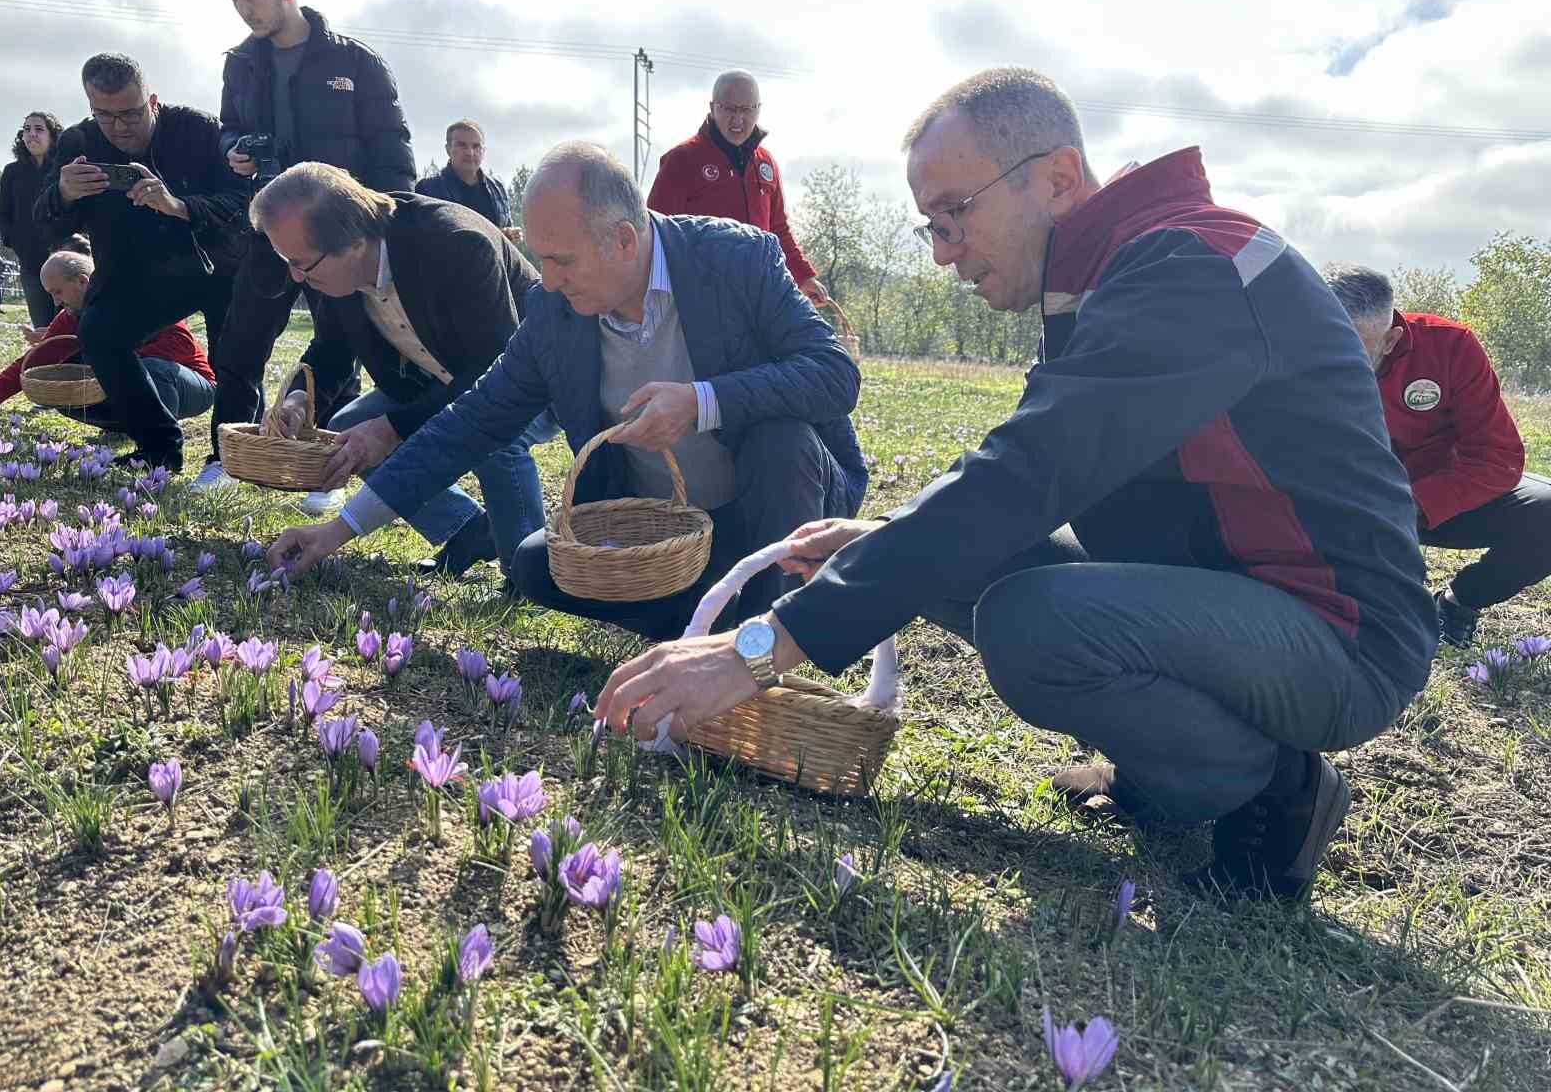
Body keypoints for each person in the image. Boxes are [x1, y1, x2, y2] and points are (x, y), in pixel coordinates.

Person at [596, 68, 1438, 904]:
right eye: (929, 226)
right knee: (960, 563)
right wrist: (883, 543)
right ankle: (1172, 761)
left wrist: (761, 646)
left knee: (1032, 621)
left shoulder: (1188, 265)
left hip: (1341, 632)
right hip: (1235, 586)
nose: (942, 252)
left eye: (955, 214)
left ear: (1059, 179)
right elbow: (1020, 476)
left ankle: (1271, 787)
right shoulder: (1116, 268)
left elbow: (1029, 474)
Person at [269, 143, 866, 638]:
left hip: (779, 518)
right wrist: (336, 531)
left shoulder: (737, 259)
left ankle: (764, 638)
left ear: (624, 242)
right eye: (539, 259)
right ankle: (717, 621)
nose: (546, 281)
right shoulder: (555, 312)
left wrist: (702, 401)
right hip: (662, 537)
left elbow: (835, 372)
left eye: (561, 261)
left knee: (780, 439)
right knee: (535, 564)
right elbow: (471, 421)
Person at [248, 162, 554, 578]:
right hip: (435, 383)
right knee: (351, 429)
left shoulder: (457, 244)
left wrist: (392, 427)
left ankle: (525, 569)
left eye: (301, 263)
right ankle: (468, 527)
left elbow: (495, 377)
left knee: (496, 438)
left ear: (353, 242)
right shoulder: (335, 272)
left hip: (531, 382)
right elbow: (332, 349)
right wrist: (300, 398)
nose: (295, 276)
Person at [206, 0, 417, 509]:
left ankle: (326, 472)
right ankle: (224, 456)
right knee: (239, 341)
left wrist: (385, 227)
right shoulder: (240, 66)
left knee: (341, 342)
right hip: (267, 227)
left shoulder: (356, 62)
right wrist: (234, 151)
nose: (243, 8)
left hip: (340, 235)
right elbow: (227, 128)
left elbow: (393, 151)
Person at [34, 52, 245, 470]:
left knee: (237, 353)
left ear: (152, 102)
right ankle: (159, 447)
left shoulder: (197, 129)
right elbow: (45, 223)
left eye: (130, 114)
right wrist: (64, 194)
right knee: (98, 332)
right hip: (133, 273)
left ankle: (229, 459)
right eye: (104, 115)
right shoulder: (78, 141)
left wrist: (178, 205)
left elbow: (242, 203)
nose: (118, 127)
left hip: (215, 263)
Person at [1324, 263, 1551, 647]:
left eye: (1354, 348)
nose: (1334, 357)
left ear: (1391, 339)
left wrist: (1412, 505)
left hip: (1435, 501)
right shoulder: (1290, 348)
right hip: (1346, 505)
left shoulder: (1451, 347)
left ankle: (1458, 602)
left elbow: (1498, 457)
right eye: (1326, 340)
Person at [0, 241, 214, 431]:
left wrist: (106, 355)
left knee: (150, 368)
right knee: (60, 393)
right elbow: (35, 361)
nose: (56, 302)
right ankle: (129, 427)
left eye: (58, 292)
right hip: (139, 381)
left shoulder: (141, 296)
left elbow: (178, 345)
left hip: (193, 385)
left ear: (82, 281)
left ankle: (158, 441)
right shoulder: (71, 316)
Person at [646, 70, 830, 306]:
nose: (738, 120)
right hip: (702, 299)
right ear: (713, 108)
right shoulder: (681, 160)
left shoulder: (766, 163)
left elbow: (778, 228)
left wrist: (804, 276)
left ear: (758, 109)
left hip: (759, 296)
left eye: (746, 110)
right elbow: (655, 234)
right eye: (730, 109)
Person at [0, 111, 66, 327]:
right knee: (42, 326)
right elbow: (3, 211)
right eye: (27, 129)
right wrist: (13, 240)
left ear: (52, 135)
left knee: (69, 324)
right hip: (30, 261)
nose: (31, 134)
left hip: (65, 260)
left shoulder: (64, 169)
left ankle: (75, 362)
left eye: (39, 129)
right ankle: (46, 362)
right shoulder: (12, 171)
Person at [415, 119, 522, 243]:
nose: (470, 152)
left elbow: (507, 235)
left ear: (483, 151)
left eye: (476, 146)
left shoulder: (498, 188)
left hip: (494, 262)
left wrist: (510, 236)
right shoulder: (428, 189)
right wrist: (497, 237)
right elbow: (424, 240)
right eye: (462, 145)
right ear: (448, 149)